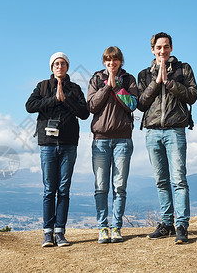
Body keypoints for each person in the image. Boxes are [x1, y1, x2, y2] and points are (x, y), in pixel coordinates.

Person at [137, 32, 197, 244]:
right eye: (158, 47)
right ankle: (166, 224)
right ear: (152, 50)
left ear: (171, 48)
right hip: (152, 131)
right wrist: (157, 81)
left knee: (179, 180)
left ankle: (181, 225)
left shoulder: (184, 69)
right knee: (161, 181)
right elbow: (141, 103)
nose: (162, 51)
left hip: (175, 130)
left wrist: (170, 83)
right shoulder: (144, 74)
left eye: (166, 47)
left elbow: (193, 95)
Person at [26, 52, 90, 247]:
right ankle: (47, 233)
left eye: (63, 63)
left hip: (69, 143)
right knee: (48, 189)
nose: (59, 66)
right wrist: (54, 99)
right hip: (47, 144)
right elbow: (30, 106)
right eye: (56, 63)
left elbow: (85, 113)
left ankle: (60, 232)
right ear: (51, 67)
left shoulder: (75, 88)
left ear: (67, 67)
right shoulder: (42, 86)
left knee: (64, 189)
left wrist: (66, 100)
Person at [87, 46, 138, 244]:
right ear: (104, 62)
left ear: (120, 61)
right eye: (108, 60)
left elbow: (132, 104)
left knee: (119, 187)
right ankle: (102, 228)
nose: (111, 63)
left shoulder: (128, 79)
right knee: (101, 187)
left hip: (123, 140)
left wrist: (117, 86)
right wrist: (107, 86)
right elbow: (91, 106)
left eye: (115, 60)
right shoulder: (96, 79)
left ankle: (116, 227)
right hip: (100, 140)